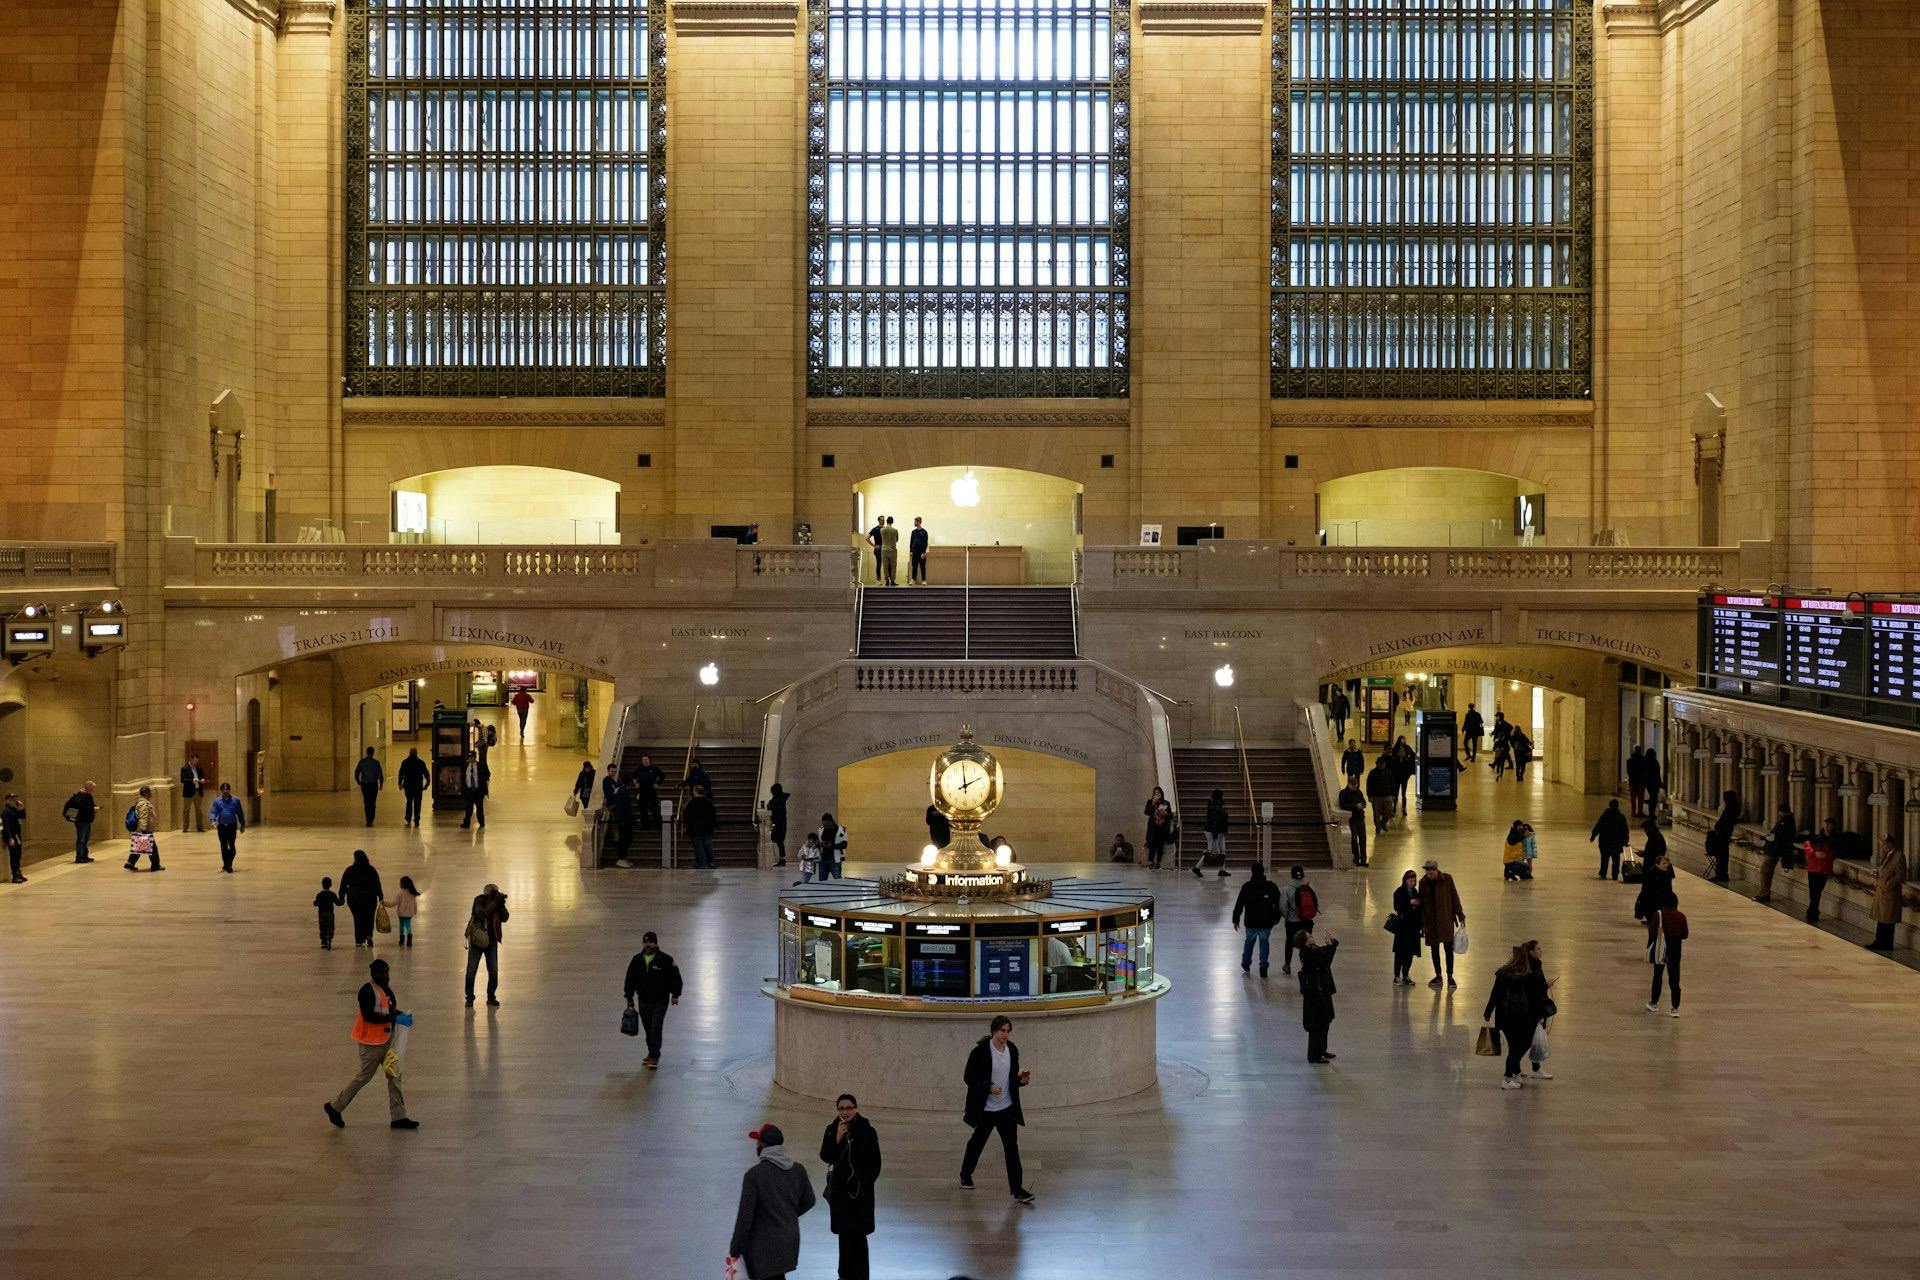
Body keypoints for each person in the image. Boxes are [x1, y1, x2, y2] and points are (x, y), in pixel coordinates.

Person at [322, 958, 417, 1131]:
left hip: (386, 1041)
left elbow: (390, 1010)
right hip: (370, 1044)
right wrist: (395, 1018)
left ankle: (399, 1117)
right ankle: (335, 1107)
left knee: (394, 1076)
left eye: (387, 972)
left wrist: (402, 1016)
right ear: (374, 974)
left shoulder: (386, 990)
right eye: (382, 973)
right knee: (364, 1077)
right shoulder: (366, 991)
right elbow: (369, 1016)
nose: (386, 976)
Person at [960, 1015, 1035, 1203]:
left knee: (1011, 1149)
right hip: (986, 1110)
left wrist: (1021, 1081)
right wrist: (988, 1087)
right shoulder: (980, 1052)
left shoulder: (1012, 1050)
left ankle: (1017, 1190)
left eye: (1008, 1031)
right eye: (1002, 1030)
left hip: (1006, 1109)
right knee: (977, 1143)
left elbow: (1011, 1080)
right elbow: (969, 1077)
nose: (1005, 1034)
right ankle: (965, 1174)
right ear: (993, 1031)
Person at [729, 1123, 816, 1280]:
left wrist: (735, 1249)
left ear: (762, 1144)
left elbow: (745, 1218)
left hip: (762, 1248)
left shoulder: (754, 1175)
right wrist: (788, 1215)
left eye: (757, 1142)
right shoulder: (798, 1170)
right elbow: (809, 1201)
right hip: (788, 1242)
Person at [819, 1095, 883, 1280]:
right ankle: (844, 1274)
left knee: (859, 1238)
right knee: (844, 1237)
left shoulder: (867, 1131)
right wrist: (837, 1139)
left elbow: (875, 1164)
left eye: (848, 1108)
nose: (845, 1112)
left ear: (855, 1108)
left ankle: (861, 1275)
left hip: (860, 1195)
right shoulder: (832, 1130)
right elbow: (826, 1156)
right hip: (841, 1196)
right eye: (841, 1108)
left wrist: (862, 1185)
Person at [1483, 942, 1551, 1088]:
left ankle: (1513, 1073)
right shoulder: (1527, 975)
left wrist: (1488, 1012)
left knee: (1514, 1046)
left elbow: (1495, 994)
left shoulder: (1503, 973)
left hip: (1504, 1016)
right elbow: (1535, 996)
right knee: (1522, 1045)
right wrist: (1541, 1014)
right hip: (1522, 1017)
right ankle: (1508, 1077)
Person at [623, 930, 683, 1067]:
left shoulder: (666, 960)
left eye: (650, 942)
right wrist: (629, 997)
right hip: (643, 1000)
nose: (647, 945)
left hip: (660, 1001)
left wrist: (675, 995)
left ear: (656, 944)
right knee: (648, 1029)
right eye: (645, 942)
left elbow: (675, 978)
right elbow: (629, 980)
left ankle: (654, 1056)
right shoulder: (637, 960)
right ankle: (651, 1053)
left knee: (656, 1027)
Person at [1418, 859, 1465, 988]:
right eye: (1427, 870)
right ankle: (1438, 975)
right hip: (1431, 923)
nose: (1429, 872)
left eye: (1431, 870)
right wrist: (1422, 924)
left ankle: (1450, 976)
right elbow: (1421, 906)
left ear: (1436, 869)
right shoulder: (1422, 883)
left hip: (1445, 921)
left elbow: (1455, 897)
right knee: (1434, 950)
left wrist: (1460, 915)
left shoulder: (1447, 880)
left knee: (1448, 950)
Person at [1232, 863, 1282, 976]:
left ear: (1252, 872)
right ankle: (1263, 966)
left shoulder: (1247, 886)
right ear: (1263, 872)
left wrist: (1236, 919)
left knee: (1249, 941)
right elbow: (1278, 903)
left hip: (1251, 921)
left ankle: (1246, 963)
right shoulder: (1271, 886)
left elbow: (1239, 904)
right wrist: (1276, 917)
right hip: (1266, 921)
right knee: (1264, 942)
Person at [1297, 927, 1339, 1064]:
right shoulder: (1307, 953)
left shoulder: (1313, 949)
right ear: (1305, 942)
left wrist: (1331, 944)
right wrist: (1329, 946)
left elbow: (1325, 955)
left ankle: (1321, 1050)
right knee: (1317, 1024)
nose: (1311, 936)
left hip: (1323, 990)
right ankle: (1314, 1055)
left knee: (1325, 1022)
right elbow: (1325, 960)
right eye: (1308, 935)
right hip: (1316, 993)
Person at [465, 883, 509, 1007]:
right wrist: (494, 903)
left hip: (492, 940)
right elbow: (480, 914)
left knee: (493, 971)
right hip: (477, 940)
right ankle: (469, 998)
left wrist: (501, 905)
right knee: (471, 970)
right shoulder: (479, 900)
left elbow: (505, 918)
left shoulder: (497, 903)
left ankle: (491, 996)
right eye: (495, 893)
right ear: (487, 893)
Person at [1645, 899, 1688, 1017]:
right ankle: (1675, 1007)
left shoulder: (1658, 915)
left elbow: (1652, 930)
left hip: (1660, 948)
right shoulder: (1681, 916)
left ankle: (1654, 1002)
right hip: (1675, 949)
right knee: (1674, 978)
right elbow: (1685, 935)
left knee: (1657, 975)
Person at [338, 850, 383, 947]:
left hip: (354, 897)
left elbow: (343, 884)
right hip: (369, 896)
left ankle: (359, 940)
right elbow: (377, 883)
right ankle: (368, 935)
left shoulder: (350, 870)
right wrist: (380, 896)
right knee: (369, 917)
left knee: (357, 918)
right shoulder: (371, 870)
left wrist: (341, 896)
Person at [1755, 802, 1798, 903]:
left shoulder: (1785, 822)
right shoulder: (1785, 821)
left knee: (1765, 872)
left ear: (1782, 812)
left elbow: (1779, 836)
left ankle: (1764, 894)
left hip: (1774, 851)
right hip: (1773, 850)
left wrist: (1767, 837)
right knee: (1765, 872)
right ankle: (1764, 893)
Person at [1869, 834, 1905, 951]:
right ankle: (1879, 941)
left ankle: (1886, 944)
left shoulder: (1899, 855)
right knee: (1882, 919)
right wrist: (1878, 873)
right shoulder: (1889, 854)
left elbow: (1900, 876)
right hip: (1883, 893)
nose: (1882, 848)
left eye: (1884, 845)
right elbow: (1886, 870)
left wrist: (1887, 885)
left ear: (1890, 843)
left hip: (1890, 894)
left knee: (1888, 921)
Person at [1279, 865, 1317, 975]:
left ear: (1292, 875)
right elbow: (1315, 903)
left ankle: (1287, 965)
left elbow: (1283, 907)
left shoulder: (1286, 889)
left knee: (1289, 942)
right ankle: (1305, 965)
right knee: (1305, 944)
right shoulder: (1310, 887)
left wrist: (1287, 917)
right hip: (1307, 921)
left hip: (1292, 923)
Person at [1390, 870, 1423, 985]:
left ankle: (1406, 974)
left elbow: (1419, 907)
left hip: (1413, 927)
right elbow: (1397, 907)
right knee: (1400, 952)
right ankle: (1397, 975)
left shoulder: (1415, 892)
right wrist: (1410, 903)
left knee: (1409, 953)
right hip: (1403, 927)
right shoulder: (1399, 892)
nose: (1412, 883)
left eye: (1414, 881)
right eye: (1410, 880)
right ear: (1405, 880)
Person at [1803, 818, 1837, 924]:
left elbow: (1836, 853)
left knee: (1817, 892)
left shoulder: (1834, 839)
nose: (1827, 826)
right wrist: (1814, 853)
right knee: (1813, 891)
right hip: (1813, 867)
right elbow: (1807, 846)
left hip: (1823, 869)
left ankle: (1812, 912)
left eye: (1829, 825)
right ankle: (1813, 912)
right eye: (1826, 824)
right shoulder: (1816, 837)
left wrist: (1827, 855)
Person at [123, 785, 163, 872]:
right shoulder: (143, 803)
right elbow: (143, 817)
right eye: (149, 791)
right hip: (144, 829)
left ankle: (130, 863)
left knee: (140, 846)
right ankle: (155, 865)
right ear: (145, 793)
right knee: (153, 847)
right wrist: (144, 829)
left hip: (142, 829)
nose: (151, 793)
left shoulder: (144, 802)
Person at [1590, 799, 1631, 880]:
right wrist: (1625, 841)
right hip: (1616, 843)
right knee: (1616, 859)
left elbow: (1599, 825)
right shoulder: (1621, 817)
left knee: (1604, 858)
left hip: (1605, 842)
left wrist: (1593, 835)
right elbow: (1625, 830)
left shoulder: (1605, 815)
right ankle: (1615, 874)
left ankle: (1603, 873)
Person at [1706, 789, 1741, 883]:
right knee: (1721, 856)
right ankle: (1720, 874)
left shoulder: (1731, 809)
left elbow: (1726, 822)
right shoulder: (1730, 807)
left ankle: (1721, 875)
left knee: (1722, 856)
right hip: (1722, 835)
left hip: (1723, 836)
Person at [210, 782, 245, 873]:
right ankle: (226, 864)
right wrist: (213, 821)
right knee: (223, 846)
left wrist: (242, 824)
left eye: (227, 790)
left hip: (232, 826)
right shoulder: (217, 801)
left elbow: (240, 813)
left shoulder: (235, 800)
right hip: (222, 827)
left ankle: (229, 864)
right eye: (224, 790)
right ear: (221, 791)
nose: (225, 792)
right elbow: (213, 812)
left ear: (229, 790)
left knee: (231, 845)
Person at [1635, 849, 1677, 923]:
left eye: (1667, 863)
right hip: (1652, 896)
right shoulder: (1651, 874)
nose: (1666, 865)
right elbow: (1646, 889)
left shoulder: (1667, 874)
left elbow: (1668, 888)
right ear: (1657, 865)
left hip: (1662, 895)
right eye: (1663, 863)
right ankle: (1652, 919)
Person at [683, 783, 718, 869]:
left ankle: (701, 863)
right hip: (707, 828)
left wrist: (686, 827)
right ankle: (711, 862)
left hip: (695, 828)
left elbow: (686, 816)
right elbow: (714, 815)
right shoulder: (709, 803)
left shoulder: (691, 803)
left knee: (698, 846)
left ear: (695, 792)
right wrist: (713, 826)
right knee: (708, 844)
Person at [1198, 788, 1231, 878]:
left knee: (1222, 850)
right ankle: (1197, 867)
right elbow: (1215, 821)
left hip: (1217, 831)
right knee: (1211, 851)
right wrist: (1215, 833)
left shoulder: (1214, 805)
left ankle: (1222, 870)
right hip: (1214, 831)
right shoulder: (1216, 806)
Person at [62, 780, 97, 863]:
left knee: (85, 838)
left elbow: (88, 805)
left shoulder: (87, 795)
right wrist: (92, 809)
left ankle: (84, 855)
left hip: (86, 820)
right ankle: (80, 857)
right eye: (92, 788)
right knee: (82, 838)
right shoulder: (81, 796)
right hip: (82, 820)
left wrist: (94, 807)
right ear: (88, 788)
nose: (93, 790)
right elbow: (82, 807)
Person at [1337, 779, 1367, 866]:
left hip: (1360, 818)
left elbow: (1363, 801)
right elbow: (1343, 805)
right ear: (1348, 784)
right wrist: (1355, 806)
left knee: (1363, 839)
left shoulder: (1358, 792)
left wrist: (1363, 805)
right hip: (1352, 819)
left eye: (1356, 785)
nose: (1355, 787)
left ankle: (1364, 860)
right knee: (1353, 840)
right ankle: (1356, 859)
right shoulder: (1343, 793)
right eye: (1353, 785)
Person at [1365, 754, 1398, 833]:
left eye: (1383, 763)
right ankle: (1378, 827)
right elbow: (1369, 785)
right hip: (1376, 797)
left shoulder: (1388, 772)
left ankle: (1382, 823)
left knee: (1389, 812)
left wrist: (1393, 794)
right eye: (1380, 763)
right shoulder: (1372, 773)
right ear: (1377, 764)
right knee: (1376, 814)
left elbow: (1392, 783)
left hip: (1388, 796)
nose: (1382, 765)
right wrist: (1370, 796)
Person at [397, 747, 430, 827]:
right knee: (417, 804)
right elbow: (426, 774)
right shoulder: (421, 763)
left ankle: (408, 819)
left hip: (408, 786)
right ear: (417, 753)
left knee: (409, 802)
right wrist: (427, 784)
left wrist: (400, 784)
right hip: (418, 786)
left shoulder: (405, 762)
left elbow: (401, 773)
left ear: (409, 753)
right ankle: (416, 820)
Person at [352, 747, 383, 827]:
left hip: (365, 785)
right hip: (373, 785)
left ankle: (368, 819)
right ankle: (371, 818)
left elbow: (356, 772)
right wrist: (381, 784)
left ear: (366, 752)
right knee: (372, 802)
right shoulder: (376, 762)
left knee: (366, 801)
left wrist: (358, 781)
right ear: (373, 753)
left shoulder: (362, 762)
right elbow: (380, 774)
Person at [388, 876, 421, 948]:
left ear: (402, 884)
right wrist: (415, 911)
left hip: (401, 913)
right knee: (408, 926)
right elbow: (414, 903)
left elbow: (394, 902)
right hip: (409, 913)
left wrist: (386, 904)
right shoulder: (412, 893)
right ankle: (409, 940)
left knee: (401, 926)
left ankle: (401, 940)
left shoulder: (400, 893)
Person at [460, 749, 489, 829]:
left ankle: (481, 822)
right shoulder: (466, 766)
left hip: (478, 790)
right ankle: (466, 823)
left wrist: (483, 778)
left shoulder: (480, 766)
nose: (471, 759)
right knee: (468, 808)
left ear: (475, 757)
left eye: (472, 757)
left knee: (479, 807)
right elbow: (462, 778)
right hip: (469, 790)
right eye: (469, 757)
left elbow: (487, 775)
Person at [1144, 800, 1176, 872]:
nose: (1157, 795)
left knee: (1160, 845)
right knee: (1152, 844)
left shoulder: (1166, 803)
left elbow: (1171, 815)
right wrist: (1153, 804)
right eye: (1155, 793)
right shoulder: (1150, 802)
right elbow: (1147, 812)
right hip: (1153, 828)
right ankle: (1150, 861)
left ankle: (1158, 862)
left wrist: (1165, 814)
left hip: (1163, 828)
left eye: (1158, 793)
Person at [179, 753, 208, 833]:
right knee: (186, 810)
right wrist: (192, 780)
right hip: (188, 793)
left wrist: (202, 780)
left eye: (197, 761)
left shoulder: (199, 768)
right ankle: (185, 828)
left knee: (199, 810)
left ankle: (200, 827)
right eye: (195, 761)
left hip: (198, 791)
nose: (196, 763)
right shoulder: (184, 768)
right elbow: (182, 780)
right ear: (191, 759)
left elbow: (202, 777)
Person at [1, 793, 25, 883]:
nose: (15, 801)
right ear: (7, 800)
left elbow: (22, 817)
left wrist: (22, 809)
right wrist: (10, 838)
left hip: (17, 835)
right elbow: (6, 826)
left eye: (15, 799)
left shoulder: (14, 810)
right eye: (12, 799)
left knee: (18, 854)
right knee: (14, 855)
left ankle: (18, 872)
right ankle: (14, 875)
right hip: (12, 836)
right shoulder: (6, 812)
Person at [1390, 736, 1417, 814]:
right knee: (1396, 792)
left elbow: (1413, 755)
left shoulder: (1407, 748)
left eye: (1404, 739)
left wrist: (1408, 759)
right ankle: (1394, 808)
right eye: (1402, 739)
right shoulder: (1395, 749)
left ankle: (1404, 808)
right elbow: (1392, 759)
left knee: (1403, 793)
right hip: (1397, 774)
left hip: (1404, 773)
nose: (1403, 741)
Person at [766, 783, 790, 866]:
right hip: (781, 823)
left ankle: (781, 859)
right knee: (779, 841)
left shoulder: (777, 800)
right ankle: (782, 858)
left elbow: (773, 808)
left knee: (778, 841)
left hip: (778, 823)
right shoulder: (781, 799)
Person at [818, 813, 848, 878]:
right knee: (822, 881)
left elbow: (844, 844)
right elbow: (820, 841)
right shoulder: (821, 829)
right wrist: (820, 844)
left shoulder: (841, 829)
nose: (825, 826)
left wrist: (832, 846)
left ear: (831, 822)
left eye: (826, 824)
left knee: (837, 880)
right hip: (823, 859)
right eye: (823, 824)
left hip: (835, 859)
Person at [315, 876, 338, 949]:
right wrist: (342, 901)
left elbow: (316, 903)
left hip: (321, 913)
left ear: (322, 885)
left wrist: (315, 902)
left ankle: (323, 941)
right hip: (330, 913)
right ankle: (329, 937)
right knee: (330, 927)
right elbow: (337, 902)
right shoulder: (332, 894)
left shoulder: (319, 895)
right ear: (330, 885)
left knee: (322, 927)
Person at [878, 515, 900, 586]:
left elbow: (882, 539)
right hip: (893, 549)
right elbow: (896, 540)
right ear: (892, 522)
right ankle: (893, 580)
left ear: (886, 521)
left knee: (885, 566)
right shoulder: (895, 530)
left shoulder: (882, 530)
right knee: (893, 566)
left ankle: (886, 580)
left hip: (884, 549)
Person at [1627, 745, 1648, 817]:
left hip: (1633, 781)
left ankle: (1633, 812)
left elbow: (1628, 771)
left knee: (1633, 797)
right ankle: (1640, 811)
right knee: (1640, 797)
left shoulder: (1630, 760)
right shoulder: (1644, 760)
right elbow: (1645, 770)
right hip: (1640, 781)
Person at [1490, 712, 1512, 778]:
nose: (1496, 717)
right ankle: (1510, 765)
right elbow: (1496, 730)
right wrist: (1492, 734)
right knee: (1505, 753)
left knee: (1502, 752)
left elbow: (1510, 728)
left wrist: (1506, 736)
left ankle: (1494, 764)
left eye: (1497, 716)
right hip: (1499, 739)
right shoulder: (1497, 723)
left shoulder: (1504, 723)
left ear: (1500, 717)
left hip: (1503, 740)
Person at [909, 516, 930, 584]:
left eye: (915, 521)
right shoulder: (913, 532)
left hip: (921, 553)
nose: (914, 523)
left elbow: (925, 542)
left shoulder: (924, 532)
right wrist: (911, 551)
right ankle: (913, 579)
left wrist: (924, 553)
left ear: (919, 522)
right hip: (914, 552)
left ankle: (924, 580)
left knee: (922, 567)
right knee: (914, 566)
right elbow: (911, 542)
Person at [868, 517, 885, 583]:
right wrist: (874, 546)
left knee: (886, 564)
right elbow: (867, 538)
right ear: (878, 520)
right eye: (882, 520)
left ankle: (887, 579)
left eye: (884, 520)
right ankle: (878, 579)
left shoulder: (885, 529)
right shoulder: (875, 529)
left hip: (885, 549)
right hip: (878, 549)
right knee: (879, 564)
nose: (883, 521)